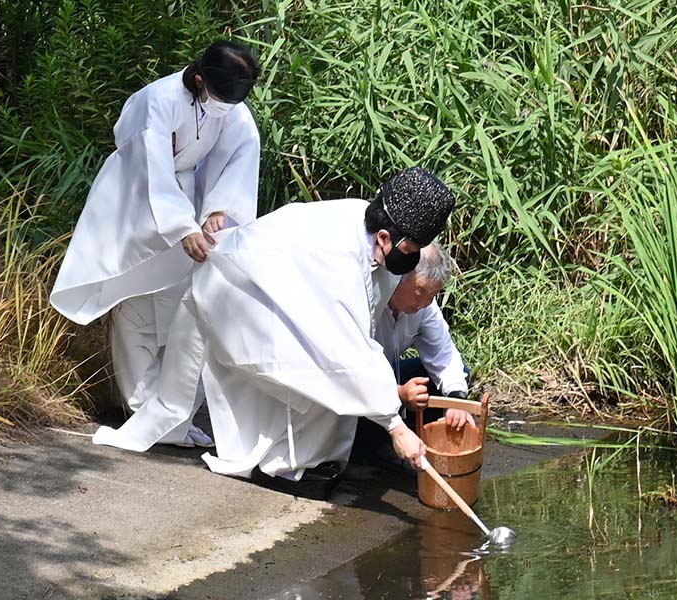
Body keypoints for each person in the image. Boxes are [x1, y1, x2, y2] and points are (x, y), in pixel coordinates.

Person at [92, 167, 456, 484]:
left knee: (331, 378)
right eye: (408, 253)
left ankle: (303, 463)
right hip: (240, 293)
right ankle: (282, 466)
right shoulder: (338, 253)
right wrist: (396, 427)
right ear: (385, 238)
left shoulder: (370, 226)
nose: (407, 265)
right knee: (306, 373)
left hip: (281, 297)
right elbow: (348, 350)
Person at [49, 41, 261, 446]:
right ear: (200, 79)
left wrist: (218, 209)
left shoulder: (229, 105)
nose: (224, 107)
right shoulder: (159, 100)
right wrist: (182, 226)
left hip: (184, 199)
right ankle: (140, 404)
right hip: (135, 197)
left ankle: (170, 413)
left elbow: (240, 152)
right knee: (134, 295)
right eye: (218, 97)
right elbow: (151, 166)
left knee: (181, 299)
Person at [376, 241, 474, 430]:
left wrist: (455, 401)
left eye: (432, 295)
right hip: (357, 381)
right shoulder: (370, 298)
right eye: (420, 292)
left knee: (451, 377)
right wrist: (397, 393)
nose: (424, 302)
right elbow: (351, 369)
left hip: (391, 372)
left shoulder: (425, 305)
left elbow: (444, 355)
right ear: (398, 277)